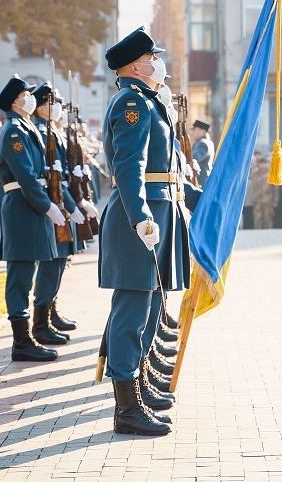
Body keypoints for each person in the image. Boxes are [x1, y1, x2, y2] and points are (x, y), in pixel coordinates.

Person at [99, 27, 201, 436]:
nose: (159, 62)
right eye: (152, 57)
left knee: (147, 309)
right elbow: (129, 167)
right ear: (136, 65)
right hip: (139, 220)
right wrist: (141, 215)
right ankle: (126, 409)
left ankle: (137, 393)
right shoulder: (132, 102)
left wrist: (199, 198)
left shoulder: (146, 101)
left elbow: (167, 171)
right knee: (132, 313)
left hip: (157, 214)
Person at [0, 75, 62, 363]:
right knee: (20, 276)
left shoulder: (25, 127)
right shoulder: (13, 131)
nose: (29, 98)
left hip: (29, 206)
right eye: (25, 94)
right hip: (23, 206)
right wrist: (47, 205)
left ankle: (28, 337)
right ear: (15, 101)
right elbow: (25, 176)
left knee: (28, 271)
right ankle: (21, 341)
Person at [30, 83, 87, 346]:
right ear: (42, 107)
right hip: (54, 201)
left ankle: (51, 312)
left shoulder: (54, 131)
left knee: (60, 261)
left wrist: (79, 200)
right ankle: (41, 322)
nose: (59, 109)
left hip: (62, 199)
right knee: (52, 263)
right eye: (55, 104)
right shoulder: (42, 132)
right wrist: (73, 206)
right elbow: (51, 175)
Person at [189, 119, 214, 186]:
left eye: (194, 130)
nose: (192, 133)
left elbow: (193, 159)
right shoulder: (205, 142)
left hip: (201, 183)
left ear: (202, 131)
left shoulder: (203, 144)